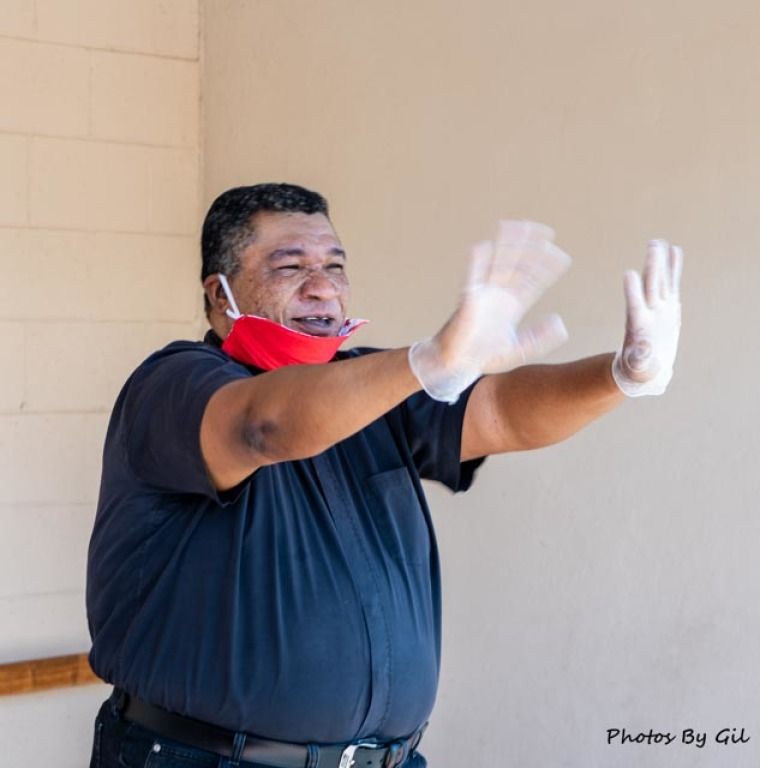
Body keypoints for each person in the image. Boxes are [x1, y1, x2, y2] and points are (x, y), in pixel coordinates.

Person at [86, 183, 682, 768]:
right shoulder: (174, 383)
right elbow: (260, 426)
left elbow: (500, 413)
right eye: (290, 266)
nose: (323, 287)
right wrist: (427, 362)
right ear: (221, 294)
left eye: (335, 266)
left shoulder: (372, 383)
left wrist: (623, 375)